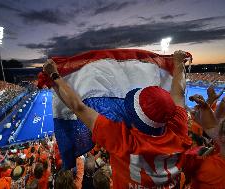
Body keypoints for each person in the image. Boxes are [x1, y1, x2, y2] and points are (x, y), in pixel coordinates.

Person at [42, 50, 192, 188]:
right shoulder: (178, 129)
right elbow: (178, 93)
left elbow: (78, 106)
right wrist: (179, 64)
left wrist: (54, 75)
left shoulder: (123, 141)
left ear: (134, 117)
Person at [186, 94, 225, 188]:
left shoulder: (211, 167)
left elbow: (212, 125)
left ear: (223, 138)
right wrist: (206, 106)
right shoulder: (223, 149)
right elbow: (211, 125)